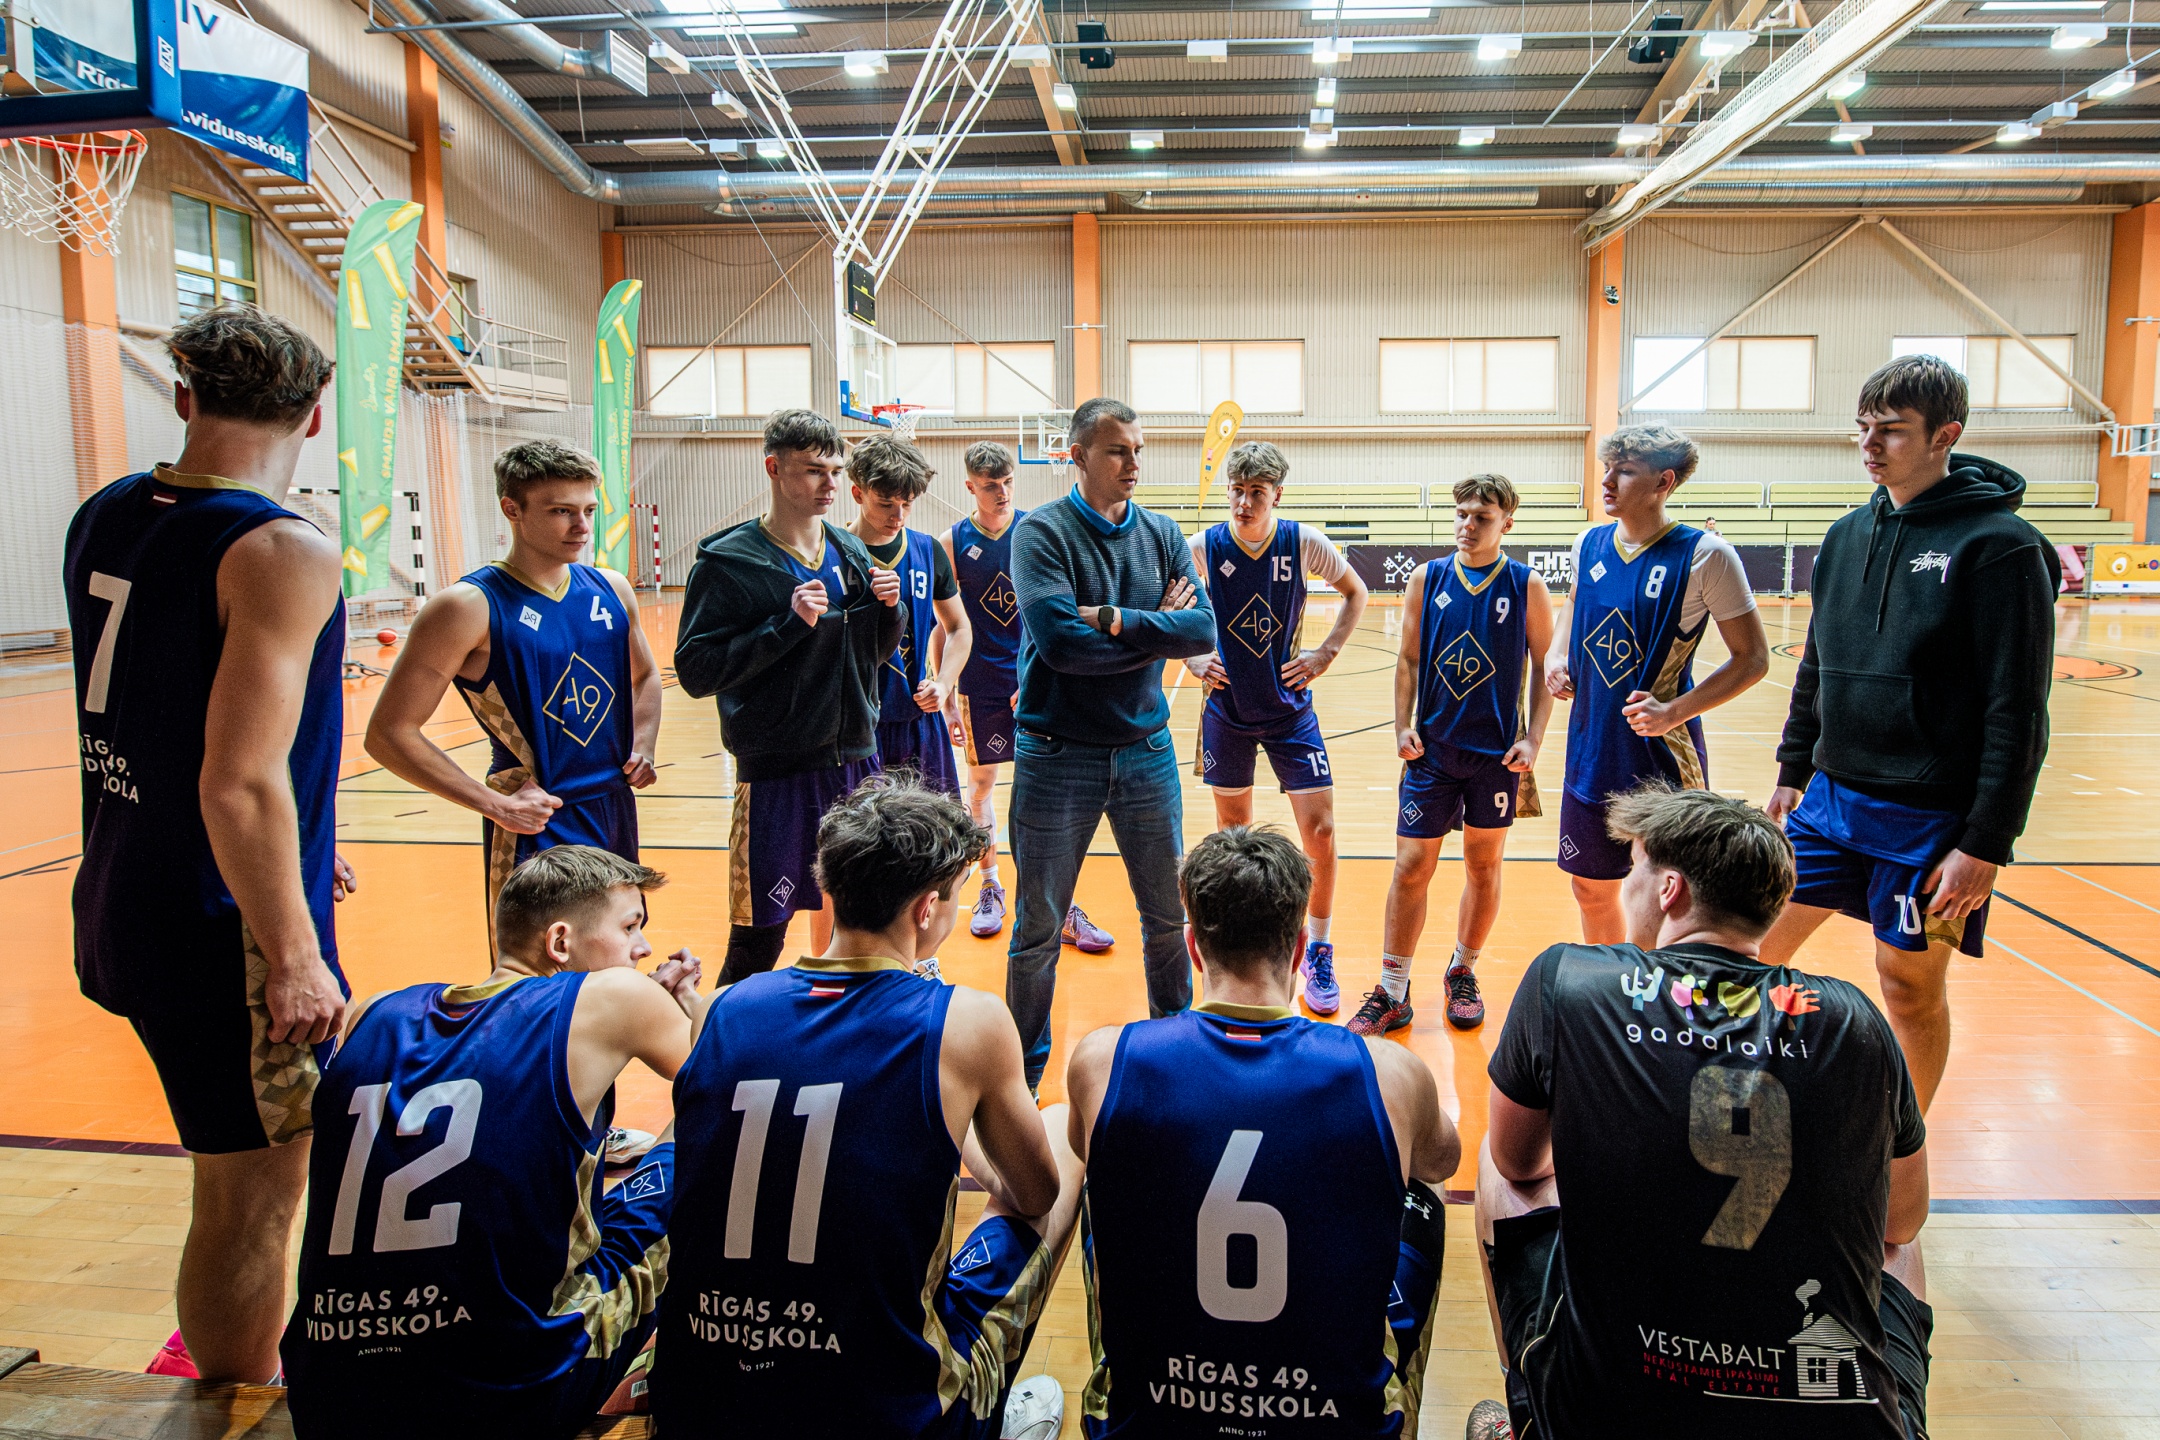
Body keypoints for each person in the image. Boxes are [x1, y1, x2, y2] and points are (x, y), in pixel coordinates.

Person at [64, 303, 351, 1383]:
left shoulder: (105, 513)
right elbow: (237, 782)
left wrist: (305, 845)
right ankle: (235, 1396)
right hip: (219, 921)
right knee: (251, 1194)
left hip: (121, 886)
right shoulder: (279, 548)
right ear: (314, 415)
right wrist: (294, 950)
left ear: (184, 397)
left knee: (228, 1169)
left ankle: (225, 1359)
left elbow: (163, 711)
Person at [1467, 785, 1931, 1440]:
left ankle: (1530, 1415)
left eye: (1634, 869)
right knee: (1897, 1241)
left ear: (1669, 890)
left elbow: (1518, 1161)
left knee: (1497, 1165)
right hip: (1834, 1418)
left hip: (1609, 1411)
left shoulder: (1570, 979)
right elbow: (1903, 1219)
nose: (1628, 887)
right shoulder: (1856, 1017)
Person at [655, 775, 1085, 1439]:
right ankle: (987, 1412)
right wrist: (961, 1123)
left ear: (831, 887)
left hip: (700, 1404)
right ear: (926, 909)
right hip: (880, 1413)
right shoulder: (966, 1022)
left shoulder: (723, 1005)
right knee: (1057, 1134)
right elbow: (1033, 1195)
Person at [281, 846, 701, 1439]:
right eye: (630, 927)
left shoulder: (373, 1010)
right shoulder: (617, 996)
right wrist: (686, 1005)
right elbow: (737, 1087)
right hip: (502, 1397)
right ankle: (691, 1379)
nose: (643, 948)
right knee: (694, 1147)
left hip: (327, 1393)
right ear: (560, 942)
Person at [1066, 826, 1459, 1438]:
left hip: (1159, 1414)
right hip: (1325, 1421)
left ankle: (1126, 1379)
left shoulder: (1102, 1058)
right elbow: (1444, 1161)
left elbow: (1079, 1150)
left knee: (1103, 1158)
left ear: (1194, 948)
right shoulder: (1391, 1073)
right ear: (1300, 950)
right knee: (1418, 1175)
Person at [1761, 356, 2058, 1113]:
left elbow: (2018, 709)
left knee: (1907, 985)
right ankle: (1740, 1102)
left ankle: (1903, 1148)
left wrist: (1987, 843)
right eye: (1863, 428)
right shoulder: (1845, 535)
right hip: (1829, 800)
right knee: (1748, 944)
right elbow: (1817, 664)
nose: (1871, 445)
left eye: (1891, 430)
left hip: (1931, 819)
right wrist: (1793, 768)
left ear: (1945, 435)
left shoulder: (2002, 546)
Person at [1006, 396, 1216, 1093]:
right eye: (1118, 450)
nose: (1133, 463)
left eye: (1137, 450)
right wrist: (1157, 626)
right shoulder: (1041, 533)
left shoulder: (1161, 532)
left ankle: (1175, 1063)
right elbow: (1062, 647)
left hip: (1145, 753)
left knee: (1168, 919)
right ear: (1078, 456)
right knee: (1038, 930)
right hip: (1056, 754)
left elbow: (1202, 632)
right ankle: (1021, 1081)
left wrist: (1117, 619)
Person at [365, 440, 661, 925]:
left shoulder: (612, 588)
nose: (582, 526)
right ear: (512, 509)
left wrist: (643, 743)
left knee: (621, 949)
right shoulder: (467, 606)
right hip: (537, 818)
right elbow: (388, 734)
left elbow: (645, 675)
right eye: (561, 511)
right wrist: (497, 806)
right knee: (540, 963)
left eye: (588, 510)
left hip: (613, 806)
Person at [674, 409, 902, 984]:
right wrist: (786, 626)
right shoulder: (730, 561)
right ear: (774, 468)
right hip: (777, 776)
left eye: (835, 471)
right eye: (813, 471)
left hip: (856, 764)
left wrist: (891, 612)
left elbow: (873, 657)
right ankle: (721, 1037)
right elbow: (696, 671)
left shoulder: (851, 551)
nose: (830, 484)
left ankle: (844, 1030)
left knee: (868, 925)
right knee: (758, 942)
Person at [1547, 424, 1769, 943]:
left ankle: (1652, 987)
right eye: (1607, 469)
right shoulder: (1588, 543)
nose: (1607, 481)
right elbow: (1575, 603)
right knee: (1589, 887)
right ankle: (1612, 981)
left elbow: (1753, 659)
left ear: (1663, 482)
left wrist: (1675, 711)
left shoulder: (1706, 555)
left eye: (1624, 472)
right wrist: (1557, 654)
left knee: (1662, 894)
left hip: (1659, 756)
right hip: (1590, 746)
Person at [1361, 475, 1553, 1037]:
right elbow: (1408, 659)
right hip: (1433, 753)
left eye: (1482, 517)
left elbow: (1546, 665)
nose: (1468, 525)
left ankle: (1462, 970)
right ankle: (1392, 989)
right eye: (1462, 514)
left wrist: (1534, 740)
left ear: (1506, 523)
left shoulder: (1526, 584)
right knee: (1410, 867)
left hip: (1496, 757)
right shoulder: (1428, 577)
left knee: (1483, 865)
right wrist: (1402, 725)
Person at [1183, 441, 1369, 1015]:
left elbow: (1356, 592)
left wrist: (1325, 652)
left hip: (1290, 710)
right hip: (1228, 709)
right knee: (1232, 836)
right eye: (1237, 491)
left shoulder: (1302, 542)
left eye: (1256, 493)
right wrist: (1192, 657)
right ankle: (1241, 946)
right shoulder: (1202, 547)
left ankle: (1318, 947)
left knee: (1321, 831)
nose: (1244, 502)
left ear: (1277, 495)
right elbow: (1166, 603)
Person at [848, 433, 971, 802]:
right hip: (858, 725)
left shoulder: (926, 550)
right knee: (860, 833)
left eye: (907, 504)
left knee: (935, 830)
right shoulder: (834, 552)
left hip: (919, 717)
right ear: (857, 494)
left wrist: (944, 684)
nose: (898, 515)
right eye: (886, 503)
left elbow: (959, 627)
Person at [940, 441, 1026, 938]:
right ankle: (990, 883)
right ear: (970, 486)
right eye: (991, 485)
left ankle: (1052, 894)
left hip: (1031, 683)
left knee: (1045, 792)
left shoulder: (1034, 531)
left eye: (1008, 482)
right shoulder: (952, 543)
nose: (1002, 492)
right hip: (980, 685)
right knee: (981, 787)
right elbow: (944, 625)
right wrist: (947, 693)